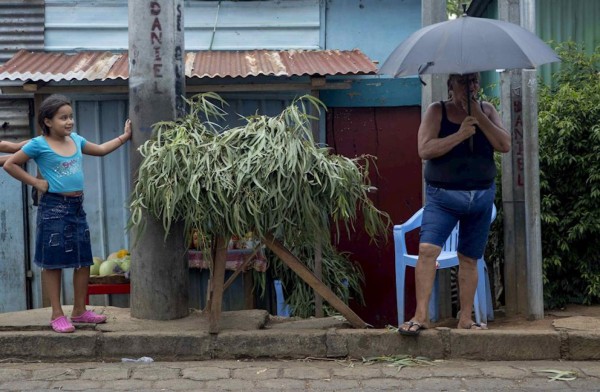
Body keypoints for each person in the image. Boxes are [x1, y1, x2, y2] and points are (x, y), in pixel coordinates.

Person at [4, 94, 131, 333]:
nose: (69, 121)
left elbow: (102, 150)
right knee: (53, 263)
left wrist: (124, 137)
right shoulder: (38, 144)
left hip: (76, 207)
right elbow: (11, 163)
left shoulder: (75, 140)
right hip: (53, 208)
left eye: (71, 116)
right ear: (48, 121)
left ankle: (80, 311)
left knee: (83, 260)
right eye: (63, 118)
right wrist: (36, 183)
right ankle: (56, 314)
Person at [399, 73, 511, 336]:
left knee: (470, 258)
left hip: (481, 197)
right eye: (463, 82)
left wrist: (480, 118)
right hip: (443, 197)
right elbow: (424, 150)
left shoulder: (487, 110)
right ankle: (421, 316)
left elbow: (504, 144)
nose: (470, 87)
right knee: (427, 250)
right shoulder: (436, 111)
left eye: (474, 82)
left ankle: (465, 319)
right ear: (451, 86)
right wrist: (461, 135)